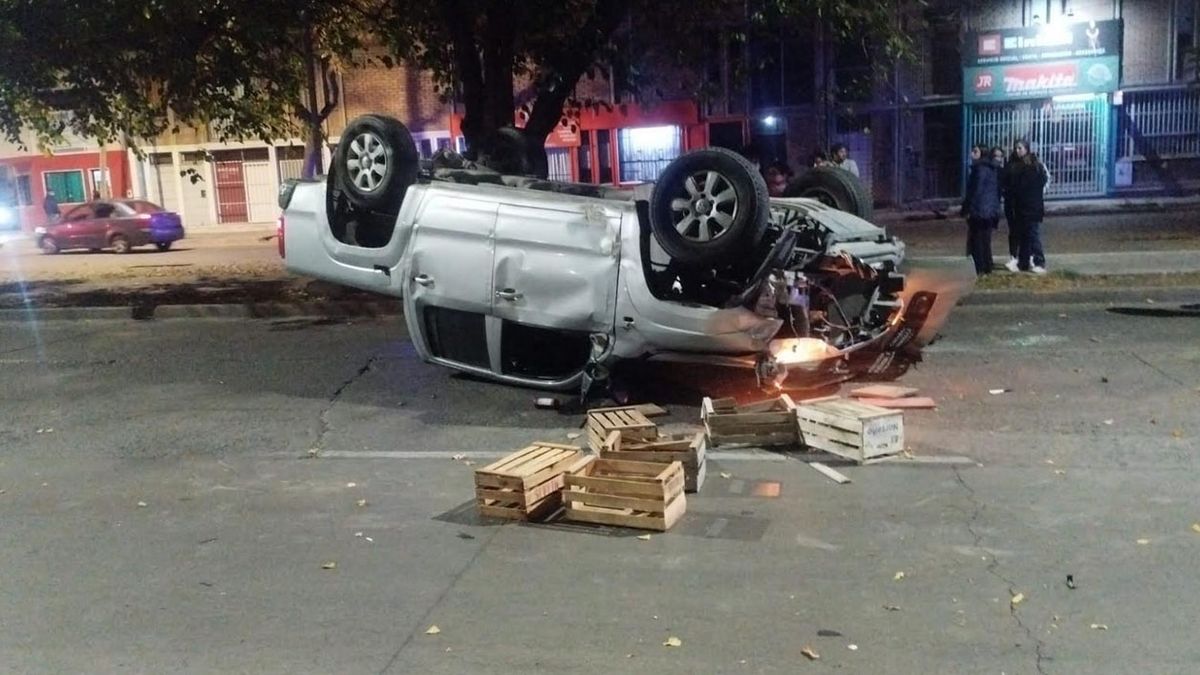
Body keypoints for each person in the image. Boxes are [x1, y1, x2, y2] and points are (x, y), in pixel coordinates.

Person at [1005, 140, 1049, 274]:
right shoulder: (1015, 165)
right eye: (1016, 148)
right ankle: (1023, 263)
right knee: (1024, 236)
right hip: (1021, 207)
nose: (1017, 151)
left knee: (1032, 235)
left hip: (1031, 207)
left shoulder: (1034, 166)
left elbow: (1039, 183)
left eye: (1020, 148)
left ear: (1026, 149)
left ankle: (1039, 262)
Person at [961, 144, 1002, 275]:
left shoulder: (979, 169)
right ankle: (987, 266)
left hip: (979, 211)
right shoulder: (991, 168)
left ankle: (979, 268)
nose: (972, 154)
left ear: (981, 154)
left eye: (975, 152)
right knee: (985, 240)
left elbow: (975, 192)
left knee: (977, 240)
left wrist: (967, 209)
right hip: (990, 211)